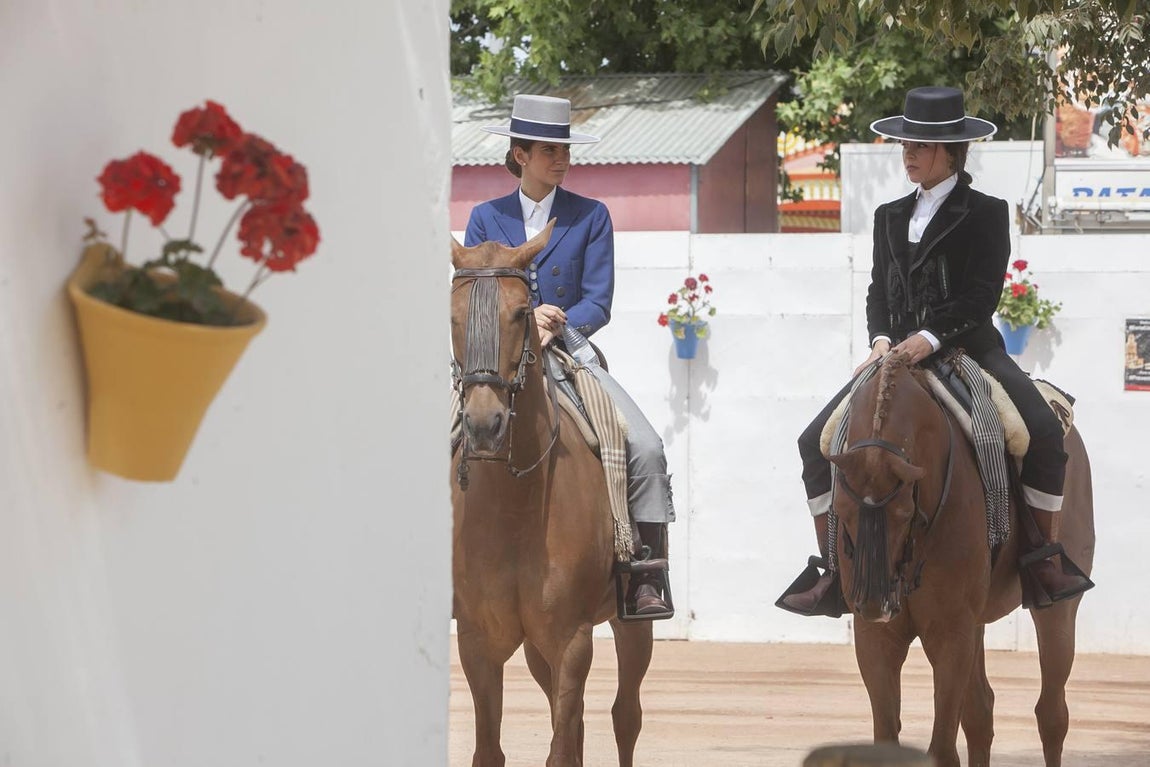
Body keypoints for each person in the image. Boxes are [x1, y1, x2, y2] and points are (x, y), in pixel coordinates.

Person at [780, 86, 1093, 616]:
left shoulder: (987, 212)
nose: (908, 153)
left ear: (951, 151)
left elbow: (981, 296)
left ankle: (1042, 559)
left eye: (919, 145)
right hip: (892, 356)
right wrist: (882, 341)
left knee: (1040, 432)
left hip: (968, 349)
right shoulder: (888, 215)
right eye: (905, 144)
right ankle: (834, 568)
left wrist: (926, 339)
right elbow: (878, 292)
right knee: (815, 441)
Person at [464, 94, 675, 619]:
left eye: (564, 150)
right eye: (550, 150)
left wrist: (551, 323)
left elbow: (598, 301)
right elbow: (475, 297)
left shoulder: (591, 216)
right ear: (520, 155)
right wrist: (521, 324)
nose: (562, 159)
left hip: (569, 352)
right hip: (497, 360)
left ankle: (645, 574)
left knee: (646, 446)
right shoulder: (484, 218)